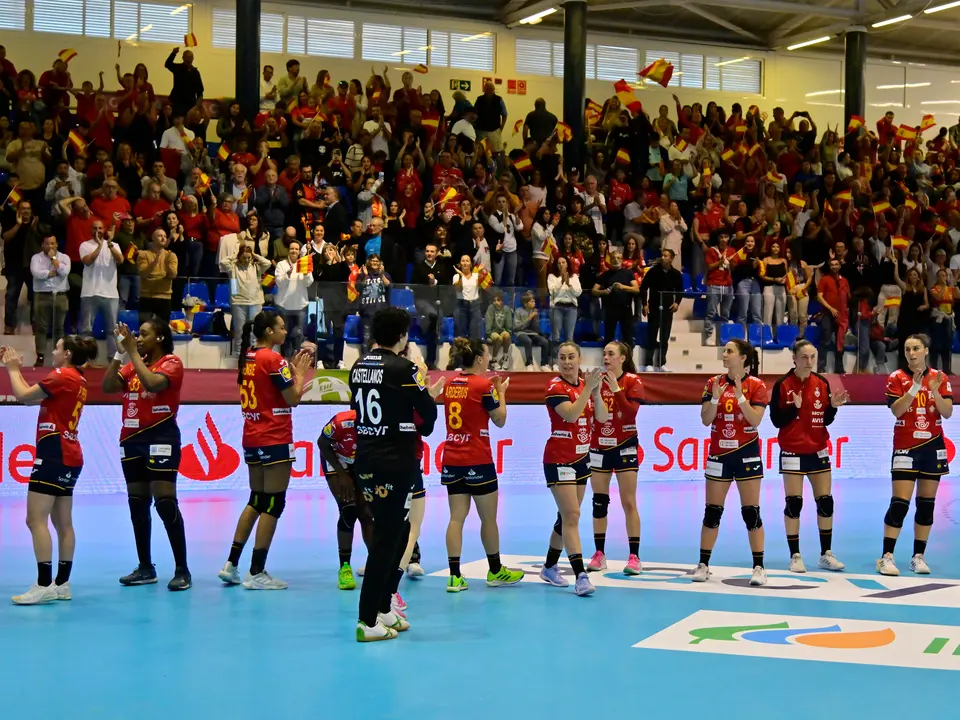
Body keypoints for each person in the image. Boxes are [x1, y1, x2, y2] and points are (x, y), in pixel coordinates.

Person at [349, 307, 437, 642]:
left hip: (367, 458)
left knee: (398, 531)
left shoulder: (358, 367)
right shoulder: (404, 367)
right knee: (387, 540)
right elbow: (427, 410)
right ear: (401, 337)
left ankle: (384, 608)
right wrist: (422, 427)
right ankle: (366, 620)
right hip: (395, 460)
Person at [219, 310, 313, 589]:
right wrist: (300, 375)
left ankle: (231, 564)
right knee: (274, 502)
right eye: (282, 328)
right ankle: (257, 572)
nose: (286, 332)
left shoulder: (249, 356)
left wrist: (292, 373)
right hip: (274, 437)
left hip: (252, 436)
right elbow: (293, 399)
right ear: (269, 332)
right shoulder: (273, 359)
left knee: (257, 500)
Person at [1, 337, 98, 604]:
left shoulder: (63, 374)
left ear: (67, 353)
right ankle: (62, 583)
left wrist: (11, 367)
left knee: (35, 519)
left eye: (56, 348)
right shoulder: (79, 378)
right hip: (70, 453)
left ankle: (44, 584)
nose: (53, 352)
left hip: (53, 452)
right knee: (63, 523)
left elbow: (24, 396)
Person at [102, 320, 191, 591]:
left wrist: (131, 354)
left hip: (161, 437)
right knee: (137, 504)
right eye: (137, 334)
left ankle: (182, 570)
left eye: (144, 334)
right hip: (131, 440)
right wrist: (120, 354)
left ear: (160, 337)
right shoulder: (131, 363)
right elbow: (107, 387)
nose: (138, 338)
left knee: (165, 503)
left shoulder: (172, 362)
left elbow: (152, 382)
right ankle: (145, 567)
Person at [441, 338, 524, 593]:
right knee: (488, 519)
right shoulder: (483, 384)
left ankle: (454, 576)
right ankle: (496, 570)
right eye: (487, 354)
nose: (489, 358)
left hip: (452, 458)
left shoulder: (449, 384)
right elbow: (499, 419)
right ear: (479, 358)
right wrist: (501, 392)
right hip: (477, 458)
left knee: (456, 518)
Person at [769, 340, 849, 573]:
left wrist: (832, 406)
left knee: (825, 501)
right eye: (804, 357)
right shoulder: (782, 384)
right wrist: (794, 408)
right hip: (792, 450)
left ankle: (826, 554)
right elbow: (776, 421)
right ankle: (795, 555)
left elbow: (825, 420)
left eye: (812, 356)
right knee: (794, 503)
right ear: (794, 358)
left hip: (818, 450)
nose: (809, 361)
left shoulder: (821, 383)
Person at [694, 339, 769, 587]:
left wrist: (740, 396)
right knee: (712, 511)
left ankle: (759, 567)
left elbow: (755, 420)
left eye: (729, 351)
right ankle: (703, 564)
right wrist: (714, 400)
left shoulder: (757, 386)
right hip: (719, 454)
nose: (724, 355)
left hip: (746, 453)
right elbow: (706, 420)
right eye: (724, 351)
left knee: (751, 512)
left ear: (743, 358)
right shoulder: (712, 383)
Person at [878, 334, 952, 576]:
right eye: (908, 349)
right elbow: (897, 411)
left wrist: (935, 392)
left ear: (926, 351)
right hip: (905, 447)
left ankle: (918, 556)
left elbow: (948, 412)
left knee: (926, 505)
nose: (911, 353)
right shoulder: (896, 378)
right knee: (899, 504)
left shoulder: (939, 378)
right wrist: (915, 388)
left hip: (933, 446)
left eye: (916, 348)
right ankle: (886, 556)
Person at [539, 342, 609, 597]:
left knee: (566, 517)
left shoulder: (585, 385)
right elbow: (570, 415)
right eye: (562, 358)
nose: (567, 362)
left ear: (580, 359)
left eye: (571, 357)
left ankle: (549, 567)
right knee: (572, 516)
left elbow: (601, 418)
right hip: (558, 460)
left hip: (581, 459)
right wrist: (588, 390)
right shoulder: (555, 387)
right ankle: (580, 575)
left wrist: (597, 392)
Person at [587, 342, 645, 575]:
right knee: (599, 501)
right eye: (604, 354)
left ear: (623, 358)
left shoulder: (633, 381)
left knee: (628, 502)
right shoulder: (597, 380)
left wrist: (617, 391)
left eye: (611, 354)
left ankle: (634, 556)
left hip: (625, 446)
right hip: (600, 446)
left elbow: (631, 413)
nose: (606, 357)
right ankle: (599, 554)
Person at [317, 409, 374, 591]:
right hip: (336, 461)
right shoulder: (343, 421)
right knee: (349, 509)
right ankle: (344, 568)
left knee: (366, 513)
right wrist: (342, 474)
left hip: (360, 463)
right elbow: (322, 443)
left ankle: (375, 564)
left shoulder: (379, 423)